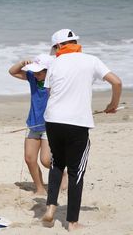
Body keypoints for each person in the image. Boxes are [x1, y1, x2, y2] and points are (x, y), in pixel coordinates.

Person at [41, 29, 122, 231]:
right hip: (77, 123)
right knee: (76, 171)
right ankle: (72, 223)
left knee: (56, 164)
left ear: (59, 46)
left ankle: (51, 207)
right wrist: (113, 105)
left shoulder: (54, 64)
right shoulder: (91, 60)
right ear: (74, 42)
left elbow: (51, 92)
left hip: (53, 121)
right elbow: (117, 82)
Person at [9, 54, 58, 195]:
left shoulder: (56, 81)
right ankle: (40, 188)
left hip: (49, 125)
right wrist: (21, 63)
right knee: (29, 158)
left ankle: (64, 174)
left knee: (46, 160)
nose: (35, 75)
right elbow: (12, 72)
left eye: (39, 72)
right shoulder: (32, 78)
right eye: (34, 72)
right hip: (33, 123)